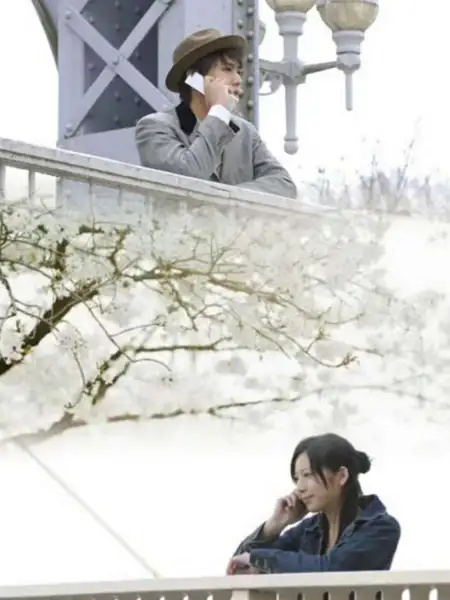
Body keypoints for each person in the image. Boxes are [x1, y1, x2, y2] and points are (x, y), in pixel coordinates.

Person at [135, 28, 297, 199]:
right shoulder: (155, 127)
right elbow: (188, 179)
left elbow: (284, 185)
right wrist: (219, 112)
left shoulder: (246, 132)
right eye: (227, 69)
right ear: (194, 78)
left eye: (239, 72)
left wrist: (228, 198)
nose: (238, 80)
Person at [227, 433, 401, 574]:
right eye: (297, 478)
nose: (300, 488)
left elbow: (332, 569)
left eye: (307, 475)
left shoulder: (380, 527)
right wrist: (273, 527)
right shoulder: (309, 530)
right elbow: (238, 567)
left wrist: (258, 558)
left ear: (342, 476)